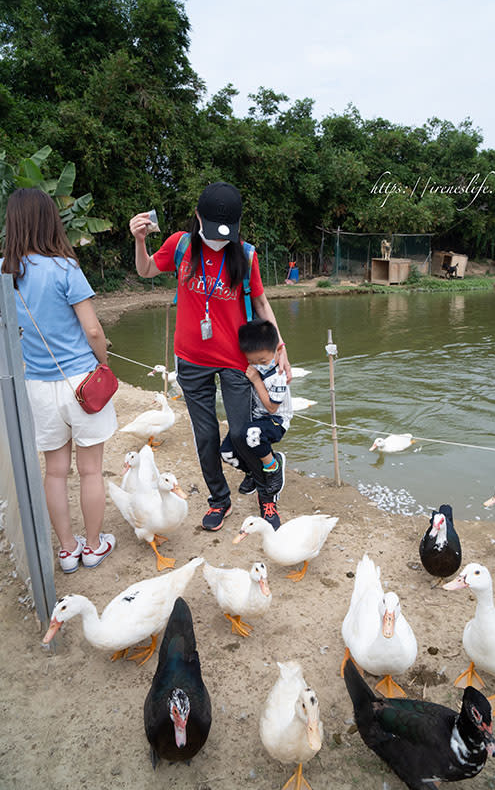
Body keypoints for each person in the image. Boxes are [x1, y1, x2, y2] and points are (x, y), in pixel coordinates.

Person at [129, 181, 291, 532]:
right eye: (212, 231)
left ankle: (267, 489)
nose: (219, 239)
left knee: (242, 432)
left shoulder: (245, 255)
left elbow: (261, 303)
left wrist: (280, 347)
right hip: (191, 359)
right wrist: (140, 241)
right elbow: (145, 271)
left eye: (225, 233)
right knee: (205, 437)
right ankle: (219, 499)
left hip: (236, 359)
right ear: (197, 217)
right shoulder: (180, 245)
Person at [0, 188, 117, 572]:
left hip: (38, 384)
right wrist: (103, 363)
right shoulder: (66, 268)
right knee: (90, 470)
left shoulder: (5, 274)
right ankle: (95, 545)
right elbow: (94, 331)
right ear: (51, 221)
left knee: (54, 470)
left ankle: (67, 551)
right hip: (82, 383)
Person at [219, 319, 292, 518]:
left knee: (250, 434)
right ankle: (252, 471)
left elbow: (271, 407)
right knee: (226, 452)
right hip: (256, 420)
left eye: (263, 361)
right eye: (253, 362)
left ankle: (273, 466)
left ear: (277, 352)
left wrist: (256, 379)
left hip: (275, 420)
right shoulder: (254, 366)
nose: (258, 366)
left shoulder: (278, 375)